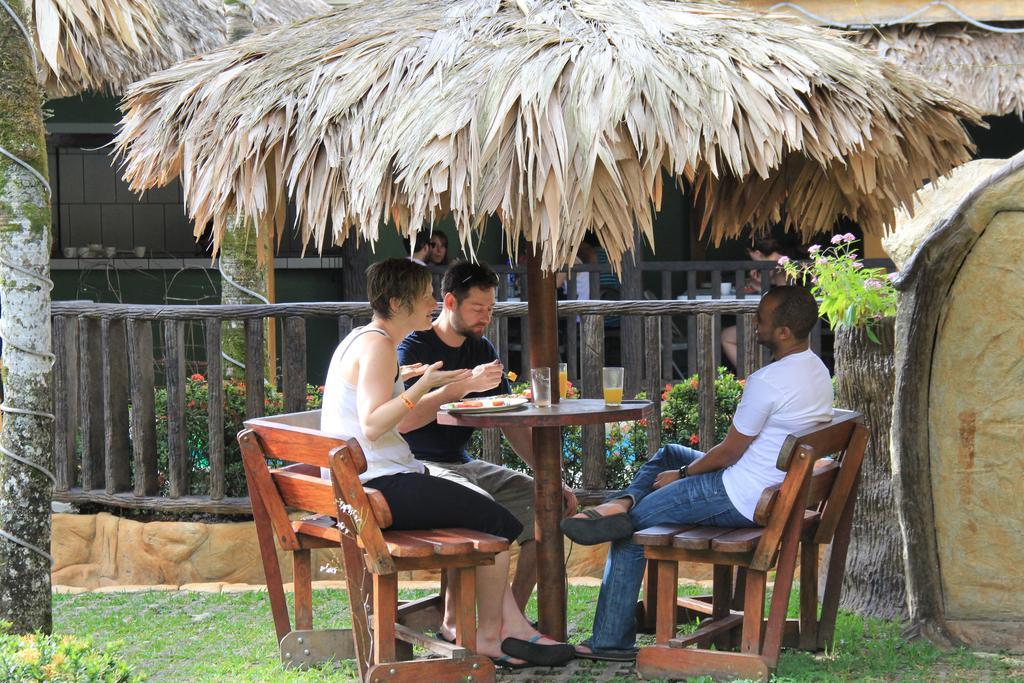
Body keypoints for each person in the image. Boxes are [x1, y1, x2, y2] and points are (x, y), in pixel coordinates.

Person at [321, 258, 574, 668]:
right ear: (398, 302)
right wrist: (423, 386)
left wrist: (423, 379)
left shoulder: (367, 341)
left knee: (492, 516)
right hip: (381, 484)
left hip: (375, 479)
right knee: (497, 522)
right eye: (425, 296)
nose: (433, 302)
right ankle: (490, 636)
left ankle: (505, 628)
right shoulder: (379, 346)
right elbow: (371, 423)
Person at [561, 286, 833, 660]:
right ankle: (621, 502)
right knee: (668, 452)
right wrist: (681, 467)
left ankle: (609, 641)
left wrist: (685, 474)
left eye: (762, 319)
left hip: (739, 496)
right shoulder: (817, 370)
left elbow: (730, 452)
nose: (754, 323)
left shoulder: (768, 381)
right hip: (765, 486)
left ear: (784, 332)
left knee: (632, 528)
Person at [397, 261, 578, 611]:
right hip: (419, 466)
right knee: (479, 505)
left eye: (491, 308)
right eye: (477, 308)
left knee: (549, 501)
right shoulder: (413, 349)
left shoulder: (481, 349)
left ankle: (515, 614)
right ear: (450, 302)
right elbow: (402, 421)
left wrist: (547, 476)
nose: (485, 317)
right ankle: (462, 619)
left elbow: (510, 420)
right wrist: (460, 386)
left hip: (464, 464)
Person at [721, 239, 805, 368]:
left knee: (726, 336)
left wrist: (759, 285)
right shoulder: (776, 262)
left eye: (750, 255)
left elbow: (783, 298)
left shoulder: (779, 264)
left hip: (782, 324)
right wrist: (758, 283)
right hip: (780, 321)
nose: (751, 260)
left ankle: (749, 373)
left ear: (758, 253)